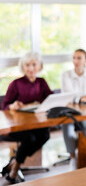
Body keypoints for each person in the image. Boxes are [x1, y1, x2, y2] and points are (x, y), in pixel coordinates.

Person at [1, 52, 52, 183]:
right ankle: (14, 170)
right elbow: (4, 105)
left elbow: (51, 99)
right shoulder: (16, 84)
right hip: (18, 125)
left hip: (36, 123)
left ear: (39, 66)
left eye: (34, 64)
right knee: (30, 138)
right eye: (27, 65)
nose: (30, 68)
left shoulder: (42, 82)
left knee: (45, 135)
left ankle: (15, 161)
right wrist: (12, 106)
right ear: (23, 67)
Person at [61, 49, 86, 167]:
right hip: (70, 110)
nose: (76, 61)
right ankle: (73, 156)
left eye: (79, 58)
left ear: (85, 60)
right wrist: (82, 99)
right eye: (74, 58)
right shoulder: (66, 75)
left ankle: (85, 154)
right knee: (66, 123)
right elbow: (67, 95)